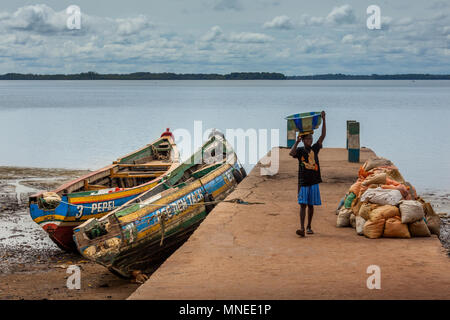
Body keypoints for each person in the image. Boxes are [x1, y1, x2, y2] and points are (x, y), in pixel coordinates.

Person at [289, 111, 326, 237]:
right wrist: (297, 142)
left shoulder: (315, 149)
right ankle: (302, 228)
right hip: (303, 182)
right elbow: (291, 153)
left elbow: (323, 136)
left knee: (310, 206)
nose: (309, 140)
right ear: (303, 140)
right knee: (302, 205)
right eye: (307, 139)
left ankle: (309, 226)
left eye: (310, 138)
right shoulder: (300, 151)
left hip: (313, 181)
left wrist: (324, 120)